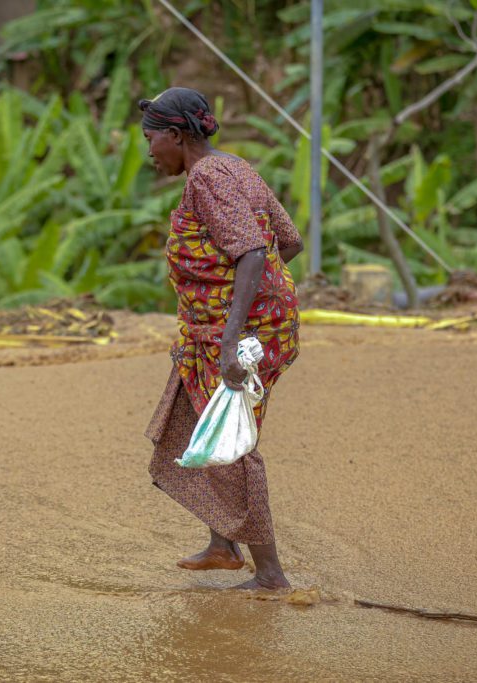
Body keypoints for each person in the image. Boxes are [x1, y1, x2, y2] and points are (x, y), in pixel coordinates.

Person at [140, 87, 302, 590]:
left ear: (175, 134)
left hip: (231, 335)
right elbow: (288, 241)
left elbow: (253, 252)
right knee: (202, 421)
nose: (149, 152)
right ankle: (222, 544)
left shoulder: (207, 178)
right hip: (244, 326)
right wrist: (263, 301)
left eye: (151, 139)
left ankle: (271, 574)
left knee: (233, 444)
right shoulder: (236, 168)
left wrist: (233, 339)